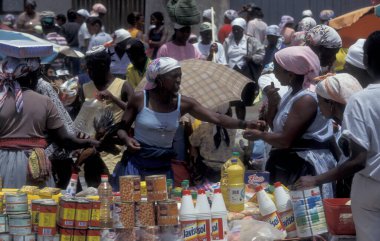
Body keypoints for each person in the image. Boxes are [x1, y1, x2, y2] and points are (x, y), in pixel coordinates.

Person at [113, 57, 262, 188]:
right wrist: (127, 139)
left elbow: (217, 118)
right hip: (137, 164)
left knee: (162, 211)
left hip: (162, 166)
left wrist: (246, 124)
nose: (179, 80)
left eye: (180, 76)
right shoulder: (139, 99)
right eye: (174, 76)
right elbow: (121, 129)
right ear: (159, 79)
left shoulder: (184, 103)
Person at [296, 32, 380, 241]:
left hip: (371, 187)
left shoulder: (361, 101)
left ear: (366, 61)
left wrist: (317, 179)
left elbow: (359, 160)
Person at [243, 46, 336, 198]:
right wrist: (272, 105)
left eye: (278, 69)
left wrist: (260, 135)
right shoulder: (292, 94)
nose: (274, 73)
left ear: (291, 73)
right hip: (290, 163)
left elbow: (285, 140)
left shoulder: (307, 98)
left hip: (304, 166)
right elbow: (278, 128)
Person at [0, 49, 98, 188]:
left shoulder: (2, 99)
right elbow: (65, 139)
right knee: (37, 206)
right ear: (31, 75)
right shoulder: (44, 101)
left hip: (2, 162)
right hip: (34, 164)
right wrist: (90, 142)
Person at [82, 46, 134, 174]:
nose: (89, 72)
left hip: (117, 152)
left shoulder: (123, 85)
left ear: (103, 65)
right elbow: (81, 120)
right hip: (92, 152)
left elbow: (136, 110)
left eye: (92, 68)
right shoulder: (84, 88)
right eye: (88, 69)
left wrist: (113, 98)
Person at [224, 17, 265, 120]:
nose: (236, 31)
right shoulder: (228, 41)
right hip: (231, 74)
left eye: (238, 29)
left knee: (245, 99)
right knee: (233, 100)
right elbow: (223, 56)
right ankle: (235, 121)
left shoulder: (250, 40)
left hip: (245, 73)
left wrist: (252, 58)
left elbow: (262, 53)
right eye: (234, 29)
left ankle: (243, 122)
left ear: (243, 29)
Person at [190, 104, 237, 183]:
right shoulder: (236, 130)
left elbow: (193, 143)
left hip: (205, 171)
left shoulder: (202, 128)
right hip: (230, 170)